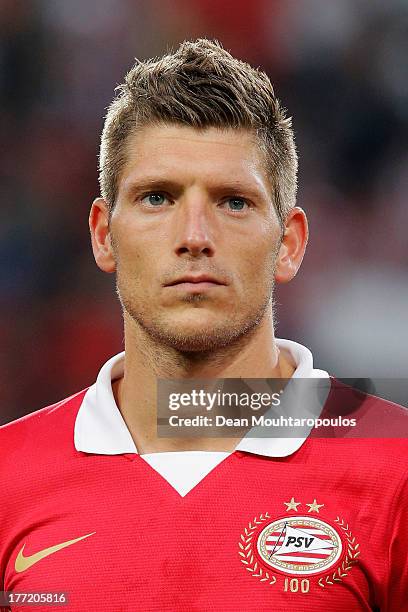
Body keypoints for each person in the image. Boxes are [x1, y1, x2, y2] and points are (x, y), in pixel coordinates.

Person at [0, 39, 406, 612]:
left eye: (234, 202)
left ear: (289, 245)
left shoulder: (397, 469)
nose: (194, 235)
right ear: (102, 234)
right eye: (158, 197)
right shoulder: (7, 476)